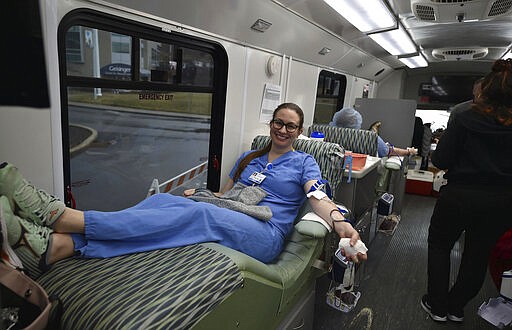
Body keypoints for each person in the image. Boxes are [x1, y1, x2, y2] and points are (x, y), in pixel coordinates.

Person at [0, 102, 366, 278]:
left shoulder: (305, 163)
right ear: (271, 124)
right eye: (278, 123)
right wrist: (204, 195)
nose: (283, 130)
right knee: (164, 199)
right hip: (235, 215)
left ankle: (64, 219)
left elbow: (319, 199)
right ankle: (61, 246)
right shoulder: (250, 158)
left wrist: (339, 223)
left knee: (201, 214)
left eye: (291, 126)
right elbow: (225, 197)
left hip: (266, 235)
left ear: (299, 132)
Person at [421, 59, 512, 323]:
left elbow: (443, 160)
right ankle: (456, 306)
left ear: (486, 89)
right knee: (478, 254)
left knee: (439, 246)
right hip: (501, 201)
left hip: (460, 194)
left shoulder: (466, 115)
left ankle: (437, 306)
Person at [329, 107, 417, 158]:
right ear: (357, 122)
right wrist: (408, 152)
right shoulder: (369, 138)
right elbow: (388, 151)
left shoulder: (328, 133)